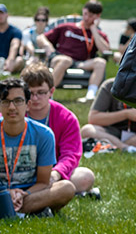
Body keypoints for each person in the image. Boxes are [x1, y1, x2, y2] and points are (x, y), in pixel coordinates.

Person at [0, 78, 73, 217]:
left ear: (28, 105)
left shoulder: (44, 134)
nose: (12, 107)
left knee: (66, 188)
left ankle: (4, 211)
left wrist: (25, 194)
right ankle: (8, 212)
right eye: (6, 102)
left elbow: (43, 182)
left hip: (29, 195)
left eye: (18, 101)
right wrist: (4, 193)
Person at [20, 64, 97, 196]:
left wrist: (55, 174)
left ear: (51, 91)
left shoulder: (67, 118)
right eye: (30, 93)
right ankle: (53, 194)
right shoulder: (14, 112)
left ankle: (47, 191)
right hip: (18, 170)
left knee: (85, 176)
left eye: (41, 92)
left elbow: (71, 154)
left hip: (53, 172)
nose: (35, 98)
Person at [44, 0, 111, 102]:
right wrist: (48, 46)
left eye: (91, 16)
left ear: (98, 16)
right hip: (60, 58)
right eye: (85, 14)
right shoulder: (66, 27)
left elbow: (105, 50)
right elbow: (41, 38)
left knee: (101, 62)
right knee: (66, 60)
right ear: (83, 11)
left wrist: (93, 29)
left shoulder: (99, 34)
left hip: (81, 62)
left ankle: (90, 96)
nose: (87, 18)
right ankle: (47, 94)